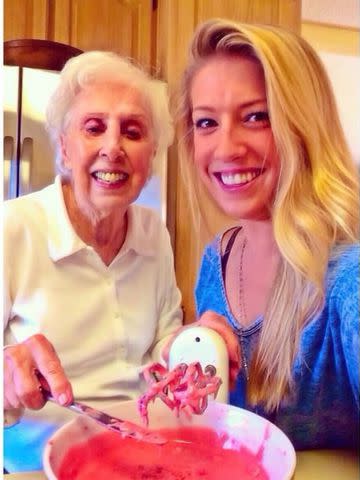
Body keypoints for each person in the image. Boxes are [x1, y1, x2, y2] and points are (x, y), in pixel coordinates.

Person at [176, 18, 360, 450]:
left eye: (257, 117)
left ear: (304, 125)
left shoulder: (348, 278)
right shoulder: (215, 259)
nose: (225, 148)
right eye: (206, 123)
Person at [3, 50, 184, 472]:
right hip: (36, 465)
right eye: (94, 128)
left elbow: (163, 340)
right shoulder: (12, 229)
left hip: (139, 456)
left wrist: (191, 349)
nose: (113, 147)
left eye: (133, 132)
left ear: (152, 156)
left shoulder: (153, 234)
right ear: (64, 148)